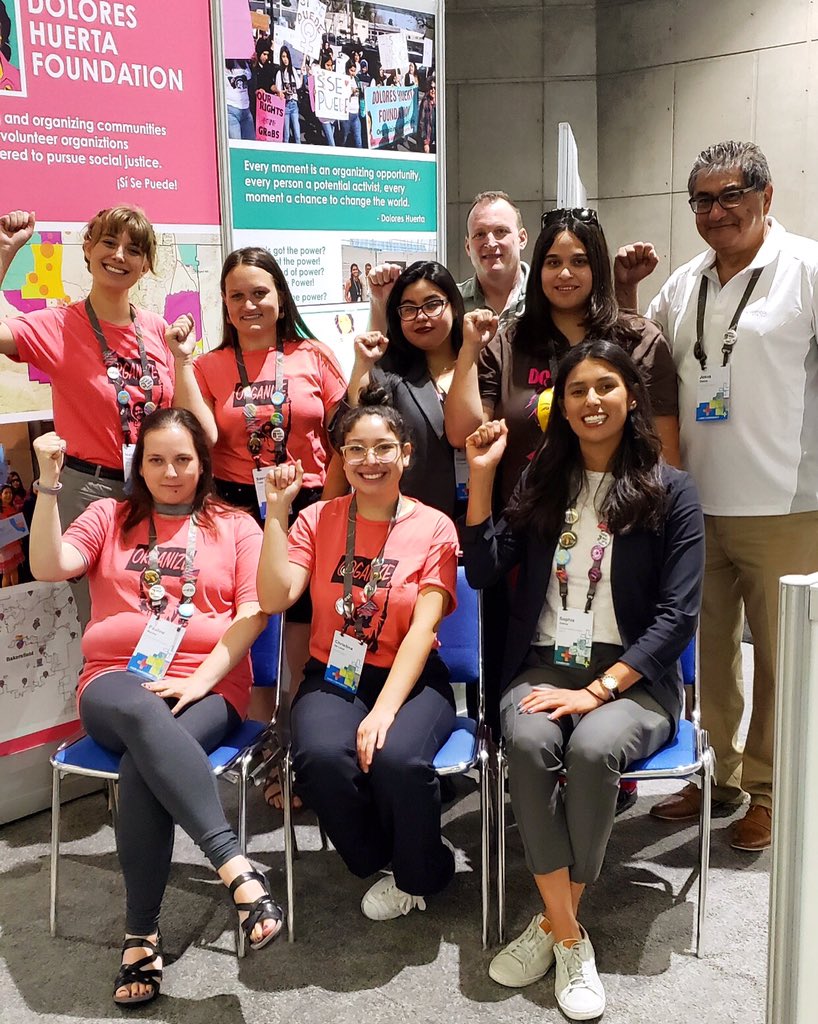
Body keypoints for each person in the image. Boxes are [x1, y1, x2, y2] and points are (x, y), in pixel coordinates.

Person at [460, 341, 704, 1019]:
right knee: (534, 744)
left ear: (631, 397)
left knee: (595, 749)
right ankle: (570, 935)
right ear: (559, 406)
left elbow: (678, 616)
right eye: (577, 390)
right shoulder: (544, 482)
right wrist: (482, 477)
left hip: (635, 677)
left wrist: (596, 691)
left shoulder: (673, 491)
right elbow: (482, 570)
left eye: (606, 387)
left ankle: (552, 926)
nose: (591, 401)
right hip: (542, 662)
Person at [29, 409, 284, 1005]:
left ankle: (140, 934)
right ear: (137, 465)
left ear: (204, 462)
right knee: (145, 720)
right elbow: (49, 565)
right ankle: (235, 867)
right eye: (156, 460)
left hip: (208, 682)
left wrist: (205, 681)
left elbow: (254, 613)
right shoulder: (107, 516)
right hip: (114, 682)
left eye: (184, 460)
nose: (170, 473)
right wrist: (46, 484)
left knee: (142, 766)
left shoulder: (237, 525)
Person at [614, 140, 818, 851]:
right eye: (701, 199)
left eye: (731, 195)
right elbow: (641, 354)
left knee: (783, 660)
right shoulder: (687, 282)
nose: (715, 211)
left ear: (766, 196)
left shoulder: (806, 269)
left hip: (787, 504)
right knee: (710, 655)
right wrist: (627, 292)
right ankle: (718, 774)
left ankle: (770, 789)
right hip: (697, 505)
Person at [257, 385, 460, 920]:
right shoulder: (317, 520)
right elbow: (276, 597)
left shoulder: (434, 526)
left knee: (398, 758)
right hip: (335, 675)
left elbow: (422, 630)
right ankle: (382, 859)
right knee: (320, 758)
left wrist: (384, 712)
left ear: (406, 453)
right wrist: (277, 513)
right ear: (341, 458)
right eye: (355, 450)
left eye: (383, 448)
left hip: (412, 677)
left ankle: (426, 871)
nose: (370, 461)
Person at [172, 246, 347, 805]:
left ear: (280, 297)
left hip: (308, 505)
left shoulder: (313, 356)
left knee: (303, 636)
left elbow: (345, 432)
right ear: (224, 303)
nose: (249, 304)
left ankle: (298, 753)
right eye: (237, 295)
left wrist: (334, 503)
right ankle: (257, 751)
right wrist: (180, 363)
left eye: (260, 293)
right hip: (236, 511)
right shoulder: (207, 366)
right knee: (249, 629)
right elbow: (198, 437)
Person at [0, 207, 193, 625]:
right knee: (105, 620)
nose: (120, 255)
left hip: (155, 489)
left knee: (163, 611)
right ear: (88, 248)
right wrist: (4, 255)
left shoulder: (159, 330)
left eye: (134, 249)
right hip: (89, 493)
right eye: (109, 242)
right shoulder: (58, 325)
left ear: (146, 265)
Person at [446, 208, 681, 512]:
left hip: (621, 524)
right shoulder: (507, 344)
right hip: (530, 529)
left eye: (579, 261)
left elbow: (666, 455)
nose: (565, 274)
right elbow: (461, 434)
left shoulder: (640, 341)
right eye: (553, 262)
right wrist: (469, 350)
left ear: (597, 265)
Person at [347, 262, 468, 519]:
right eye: (409, 309)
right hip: (413, 520)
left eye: (432, 304)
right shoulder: (392, 374)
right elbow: (359, 415)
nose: (421, 316)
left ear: (454, 306)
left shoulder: (481, 360)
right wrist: (362, 363)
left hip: (484, 519)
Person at [459, 190, 530, 321]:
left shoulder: (548, 296)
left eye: (501, 231)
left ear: (522, 239)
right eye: (480, 234)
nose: (490, 243)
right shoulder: (452, 304)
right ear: (468, 246)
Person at [275, 46, 302, 144]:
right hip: (285, 105)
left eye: (287, 57)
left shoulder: (293, 70)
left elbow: (298, 85)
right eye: (283, 57)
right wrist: (282, 91)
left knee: (297, 134)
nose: (285, 59)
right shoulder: (279, 73)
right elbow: (278, 90)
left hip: (294, 104)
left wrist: (302, 74)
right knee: (286, 135)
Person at [0, 483, 23, 586]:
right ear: (0, 495)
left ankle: (16, 592)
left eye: (10, 493)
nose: (8, 495)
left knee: (15, 569)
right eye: (6, 493)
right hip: (4, 547)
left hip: (15, 543)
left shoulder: (13, 508)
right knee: (7, 573)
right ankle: (6, 597)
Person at [225, 59, 255, 140]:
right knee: (236, 143)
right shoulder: (223, 64)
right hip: (231, 109)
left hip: (245, 108)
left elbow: (251, 80)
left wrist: (253, 64)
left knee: (251, 143)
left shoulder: (244, 63)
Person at [339, 58, 363, 148]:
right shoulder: (343, 79)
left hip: (356, 113)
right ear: (347, 69)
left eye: (354, 71)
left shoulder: (356, 79)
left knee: (358, 140)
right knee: (344, 138)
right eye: (351, 70)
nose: (352, 73)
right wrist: (351, 92)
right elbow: (341, 94)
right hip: (347, 113)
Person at [417, 81, 436, 154]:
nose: (433, 90)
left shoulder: (441, 102)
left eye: (435, 88)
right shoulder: (425, 102)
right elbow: (421, 123)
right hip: (428, 139)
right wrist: (425, 142)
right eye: (431, 88)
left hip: (438, 140)